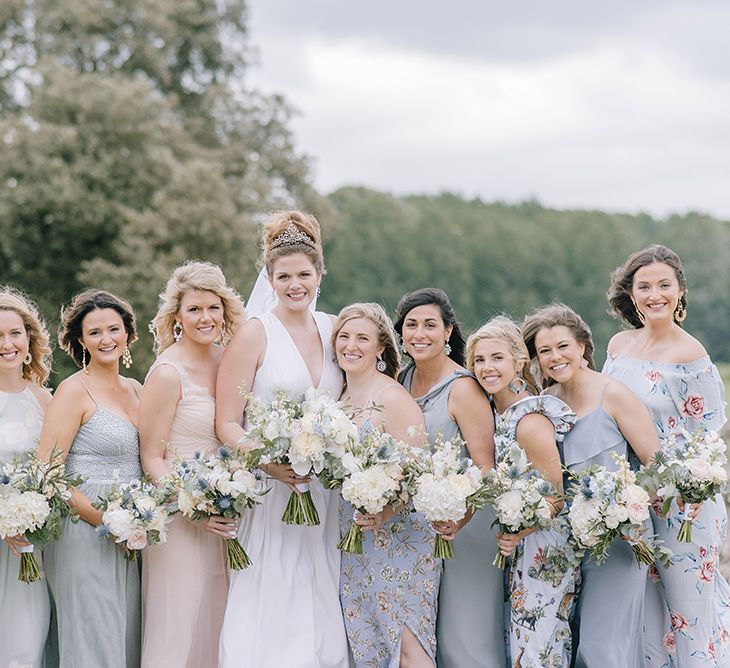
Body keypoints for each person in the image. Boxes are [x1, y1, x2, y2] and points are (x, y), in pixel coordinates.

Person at [216, 211, 350, 668]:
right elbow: (228, 424)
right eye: (284, 276)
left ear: (320, 274)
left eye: (304, 275)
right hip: (272, 490)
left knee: (320, 587)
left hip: (325, 492)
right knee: (269, 590)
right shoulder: (254, 333)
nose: (296, 285)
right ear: (269, 279)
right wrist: (270, 461)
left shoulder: (335, 329)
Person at [604, 244, 730, 667]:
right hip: (627, 503)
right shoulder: (619, 346)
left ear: (679, 292)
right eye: (644, 286)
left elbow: (710, 439)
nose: (655, 294)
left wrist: (682, 488)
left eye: (664, 285)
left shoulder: (692, 356)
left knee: (689, 620)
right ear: (631, 293)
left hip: (682, 507)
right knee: (645, 620)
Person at [523, 302, 660, 667]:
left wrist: (624, 506)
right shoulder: (544, 405)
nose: (555, 357)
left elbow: (656, 468)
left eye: (562, 346)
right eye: (545, 351)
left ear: (582, 346)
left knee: (600, 651)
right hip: (561, 546)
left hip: (616, 543)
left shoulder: (613, 394)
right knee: (568, 643)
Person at [139, 261, 244, 668]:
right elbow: (152, 456)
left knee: (220, 629)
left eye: (213, 308)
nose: (206, 318)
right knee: (176, 630)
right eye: (195, 309)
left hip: (229, 516)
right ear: (177, 316)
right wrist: (193, 507)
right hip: (181, 520)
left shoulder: (230, 362)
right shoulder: (168, 372)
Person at [393, 288, 505, 668]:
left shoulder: (464, 388)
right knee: (423, 638)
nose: (419, 334)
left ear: (447, 332)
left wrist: (460, 517)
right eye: (411, 326)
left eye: (429, 325)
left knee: (464, 638)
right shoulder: (399, 380)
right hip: (413, 531)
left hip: (463, 527)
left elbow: (486, 467)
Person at [467, 316, 579, 668]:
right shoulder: (496, 413)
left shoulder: (529, 420)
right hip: (519, 547)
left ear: (518, 361)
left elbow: (557, 497)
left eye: (496, 358)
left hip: (544, 549)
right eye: (479, 360)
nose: (486, 368)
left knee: (540, 649)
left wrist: (522, 529)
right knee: (520, 645)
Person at [40, 289, 142, 668]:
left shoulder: (136, 389)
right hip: (84, 531)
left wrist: (139, 521)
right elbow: (49, 473)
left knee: (125, 631)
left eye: (113, 329)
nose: (106, 339)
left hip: (134, 534)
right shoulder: (72, 390)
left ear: (128, 335)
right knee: (93, 636)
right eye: (95, 332)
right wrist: (107, 521)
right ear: (81, 340)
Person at [334, 302, 439, 668]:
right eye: (344, 337)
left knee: (407, 642)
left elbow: (420, 472)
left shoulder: (393, 398)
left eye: (362, 338)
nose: (351, 345)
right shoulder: (339, 401)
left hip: (399, 536)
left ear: (380, 347)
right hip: (355, 536)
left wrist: (385, 511)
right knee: (369, 640)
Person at [0, 286, 53, 668]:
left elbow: (55, 469)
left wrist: (30, 513)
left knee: (25, 643)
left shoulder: (46, 401)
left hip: (29, 547)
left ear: (29, 338)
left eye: (14, 333)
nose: (7, 344)